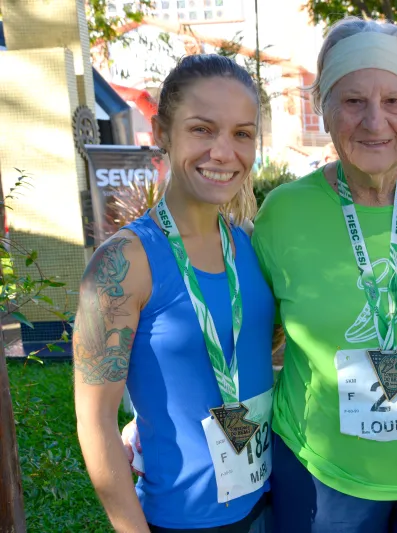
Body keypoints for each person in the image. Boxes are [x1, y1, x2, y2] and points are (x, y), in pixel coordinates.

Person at [253, 17, 397, 532]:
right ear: (326, 109)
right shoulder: (283, 214)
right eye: (354, 100)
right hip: (324, 476)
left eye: (394, 102)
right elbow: (252, 334)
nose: (375, 121)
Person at [74, 55, 275, 532]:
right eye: (203, 129)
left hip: (269, 501)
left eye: (242, 133)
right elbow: (95, 419)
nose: (224, 152)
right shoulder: (123, 264)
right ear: (162, 130)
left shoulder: (247, 243)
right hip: (180, 520)